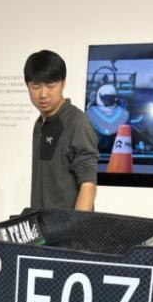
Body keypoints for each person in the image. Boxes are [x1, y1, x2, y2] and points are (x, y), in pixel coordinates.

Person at [24, 50, 99, 211]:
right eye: (36, 86)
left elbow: (88, 185)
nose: (43, 94)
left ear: (63, 83)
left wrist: (76, 225)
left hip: (69, 225)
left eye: (51, 86)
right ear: (28, 87)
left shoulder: (76, 122)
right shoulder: (40, 123)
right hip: (44, 223)